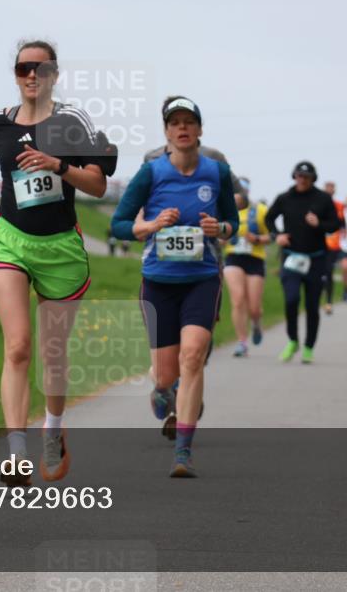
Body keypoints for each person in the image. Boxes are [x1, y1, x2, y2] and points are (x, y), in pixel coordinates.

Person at [0, 40, 112, 486]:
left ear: (54, 75)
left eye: (41, 68)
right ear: (15, 74)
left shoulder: (71, 122)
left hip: (60, 248)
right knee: (18, 346)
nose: (32, 75)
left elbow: (99, 184)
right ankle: (14, 452)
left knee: (52, 352)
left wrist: (58, 164)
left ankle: (52, 427)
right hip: (9, 240)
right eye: (23, 67)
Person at [111, 96, 238, 477]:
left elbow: (233, 221)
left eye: (188, 122)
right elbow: (118, 225)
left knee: (193, 355)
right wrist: (149, 227)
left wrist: (222, 229)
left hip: (201, 278)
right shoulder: (151, 172)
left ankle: (183, 451)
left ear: (199, 129)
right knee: (166, 374)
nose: (182, 128)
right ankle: (164, 390)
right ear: (166, 132)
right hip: (159, 281)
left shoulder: (216, 172)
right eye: (174, 123)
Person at [265, 161, 341, 364]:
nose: (302, 179)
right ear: (294, 176)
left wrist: (319, 224)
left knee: (312, 305)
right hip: (291, 257)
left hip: (316, 258)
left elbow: (335, 225)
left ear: (313, 179)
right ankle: (292, 340)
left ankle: (308, 347)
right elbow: (269, 219)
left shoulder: (323, 199)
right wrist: (277, 235)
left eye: (306, 177)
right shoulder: (284, 198)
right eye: (299, 176)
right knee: (291, 299)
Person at [222, 177, 270, 357]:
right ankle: (242, 341)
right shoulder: (225, 211)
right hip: (233, 257)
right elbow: (218, 236)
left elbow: (272, 235)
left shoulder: (260, 210)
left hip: (255, 259)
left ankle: (256, 324)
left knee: (254, 308)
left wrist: (257, 239)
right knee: (238, 299)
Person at [321, 181, 346, 315]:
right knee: (319, 274)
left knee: (329, 272)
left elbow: (343, 224)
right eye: (327, 188)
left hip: (333, 244)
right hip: (318, 243)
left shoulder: (339, 206)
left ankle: (329, 302)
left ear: (334, 191)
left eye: (331, 188)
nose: (329, 190)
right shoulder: (317, 204)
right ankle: (320, 297)